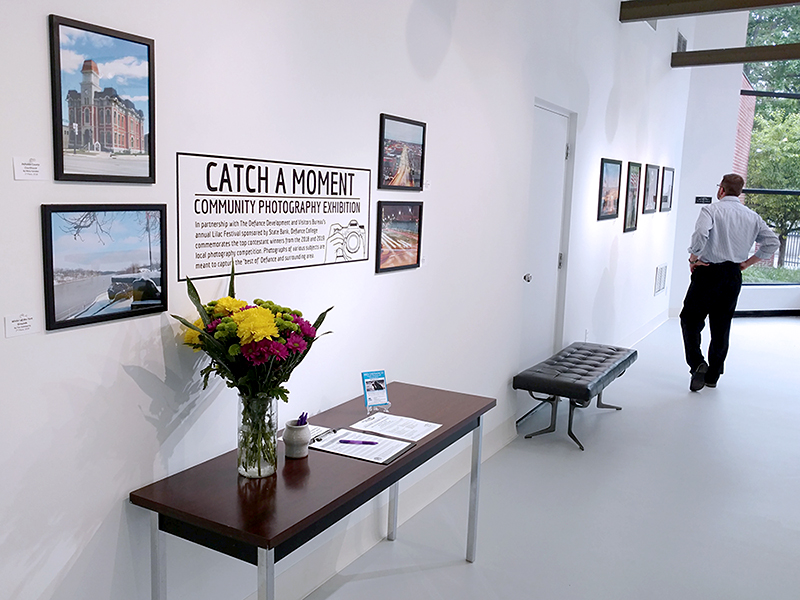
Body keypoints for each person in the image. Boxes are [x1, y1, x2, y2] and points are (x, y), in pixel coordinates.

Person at [680, 173, 779, 392]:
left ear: (721, 190)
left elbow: (700, 233)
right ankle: (713, 376)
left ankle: (697, 364)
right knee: (722, 325)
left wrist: (694, 257)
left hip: (708, 272)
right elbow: (772, 242)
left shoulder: (711, 210)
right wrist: (747, 263)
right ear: (740, 192)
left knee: (690, 319)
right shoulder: (752, 216)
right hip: (733, 275)